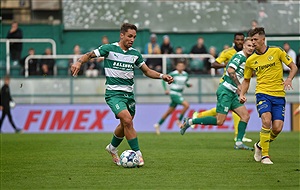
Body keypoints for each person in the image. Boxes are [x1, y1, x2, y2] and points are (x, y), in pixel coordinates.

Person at [70, 23, 173, 167]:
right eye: (130, 36)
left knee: (125, 124)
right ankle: (138, 154)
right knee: (127, 120)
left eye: (134, 37)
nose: (132, 39)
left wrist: (162, 76)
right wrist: (79, 62)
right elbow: (89, 55)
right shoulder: (109, 49)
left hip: (129, 95)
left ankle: (112, 148)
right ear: (122, 35)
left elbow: (147, 71)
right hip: (114, 94)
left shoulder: (135, 54)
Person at [180, 37, 255, 150]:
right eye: (249, 45)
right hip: (225, 90)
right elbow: (230, 70)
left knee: (245, 116)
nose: (251, 48)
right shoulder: (239, 56)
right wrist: (239, 86)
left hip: (233, 92)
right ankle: (190, 121)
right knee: (220, 121)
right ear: (244, 45)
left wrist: (240, 92)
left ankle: (239, 142)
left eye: (253, 46)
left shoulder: (248, 59)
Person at [240, 27, 298, 164]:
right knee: (266, 121)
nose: (253, 42)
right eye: (251, 40)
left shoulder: (277, 51)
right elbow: (247, 80)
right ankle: (265, 155)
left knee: (277, 128)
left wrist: (289, 79)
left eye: (255, 39)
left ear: (263, 39)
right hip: (262, 94)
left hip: (278, 95)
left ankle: (259, 145)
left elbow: (294, 67)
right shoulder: (250, 60)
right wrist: (242, 93)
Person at [154, 62, 192, 135]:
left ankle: (158, 124)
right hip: (174, 93)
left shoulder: (185, 74)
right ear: (176, 67)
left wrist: (188, 85)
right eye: (179, 65)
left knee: (169, 111)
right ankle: (178, 120)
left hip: (180, 93)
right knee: (186, 105)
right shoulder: (173, 74)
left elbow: (185, 83)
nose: (180, 67)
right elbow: (163, 80)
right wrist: (166, 89)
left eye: (182, 66)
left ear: (184, 67)